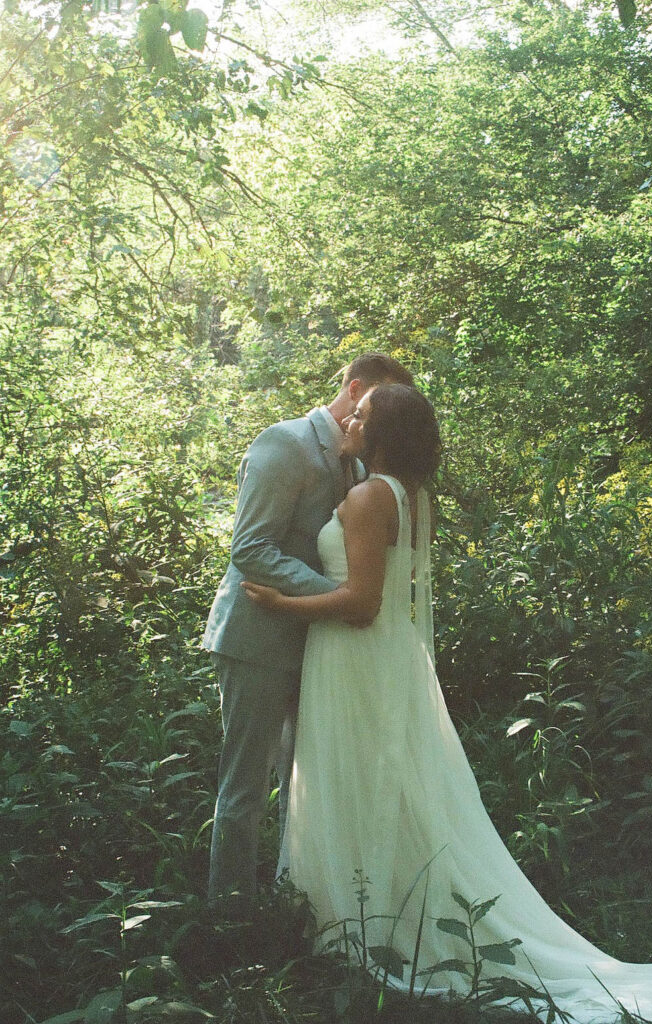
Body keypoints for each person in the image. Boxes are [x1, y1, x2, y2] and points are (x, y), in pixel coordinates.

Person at [242, 383, 652, 1022]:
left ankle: (354, 922)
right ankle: (376, 903)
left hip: (354, 658)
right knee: (382, 782)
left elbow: (362, 605)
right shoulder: (415, 498)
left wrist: (284, 604)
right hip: (386, 658)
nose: (350, 420)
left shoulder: (368, 498)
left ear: (382, 433)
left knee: (350, 778)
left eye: (360, 415)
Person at [202, 353, 414, 912]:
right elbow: (249, 548)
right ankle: (229, 916)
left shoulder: (365, 463)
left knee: (307, 781)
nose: (382, 419)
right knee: (245, 786)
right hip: (258, 637)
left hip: (324, 645)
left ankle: (295, 903)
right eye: (378, 406)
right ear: (355, 389)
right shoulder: (284, 443)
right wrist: (332, 593)